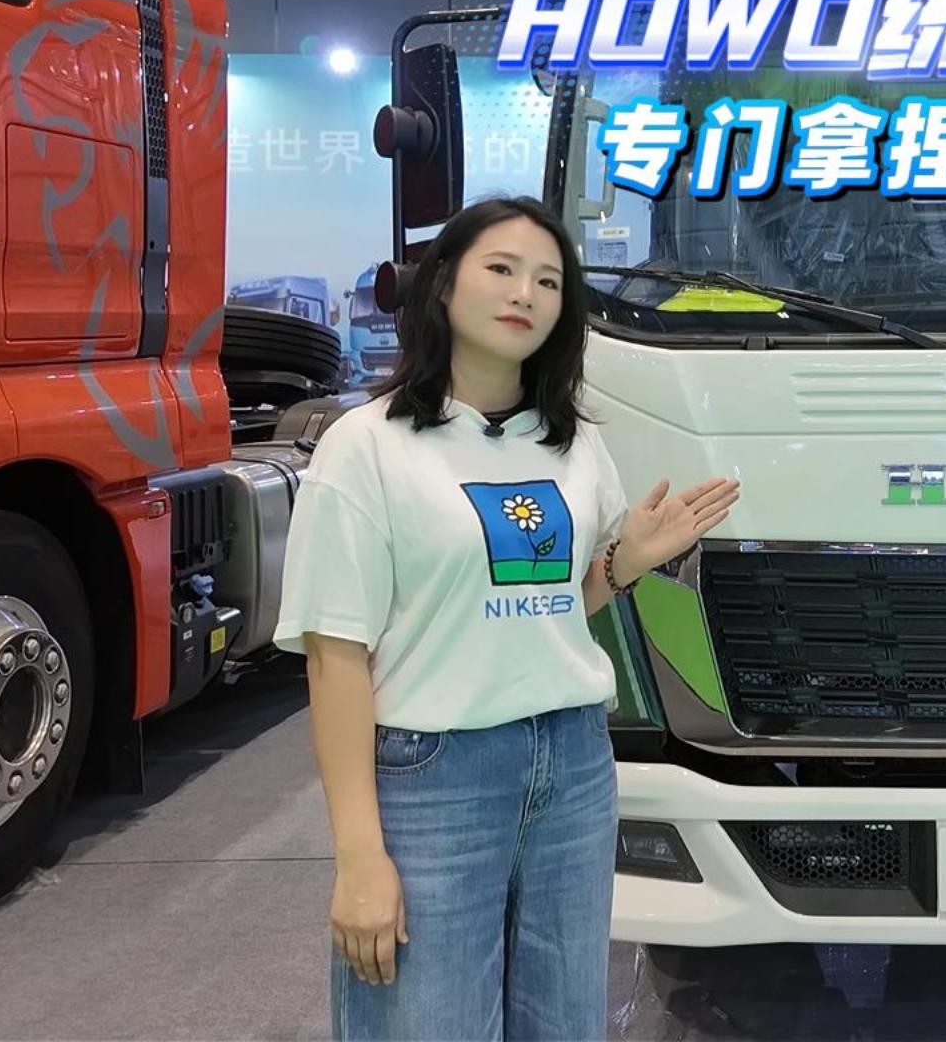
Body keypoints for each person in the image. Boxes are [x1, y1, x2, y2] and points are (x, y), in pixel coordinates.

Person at [273, 196, 739, 1041]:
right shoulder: (368, 445)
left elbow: (551, 606)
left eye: (549, 281)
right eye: (501, 269)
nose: (526, 292)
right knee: (427, 1020)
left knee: (563, 1021)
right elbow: (335, 657)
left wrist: (625, 563)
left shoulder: (570, 443)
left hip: (573, 763)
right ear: (443, 286)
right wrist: (359, 854)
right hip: (436, 772)